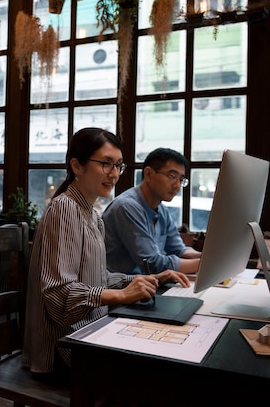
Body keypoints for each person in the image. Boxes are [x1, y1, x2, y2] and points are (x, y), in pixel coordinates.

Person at [22, 128, 189, 383]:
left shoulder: (91, 214)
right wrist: (122, 294)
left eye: (118, 166)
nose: (113, 174)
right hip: (62, 351)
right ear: (77, 166)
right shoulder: (64, 209)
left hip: (88, 334)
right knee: (162, 372)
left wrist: (144, 279)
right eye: (105, 164)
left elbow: (97, 278)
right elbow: (58, 296)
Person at [102, 147, 202, 275]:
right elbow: (152, 263)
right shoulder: (127, 207)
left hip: (147, 284)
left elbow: (179, 249)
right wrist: (205, 265)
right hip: (120, 288)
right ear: (148, 174)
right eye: (172, 176)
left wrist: (207, 257)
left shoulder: (162, 210)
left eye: (181, 179)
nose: (177, 186)